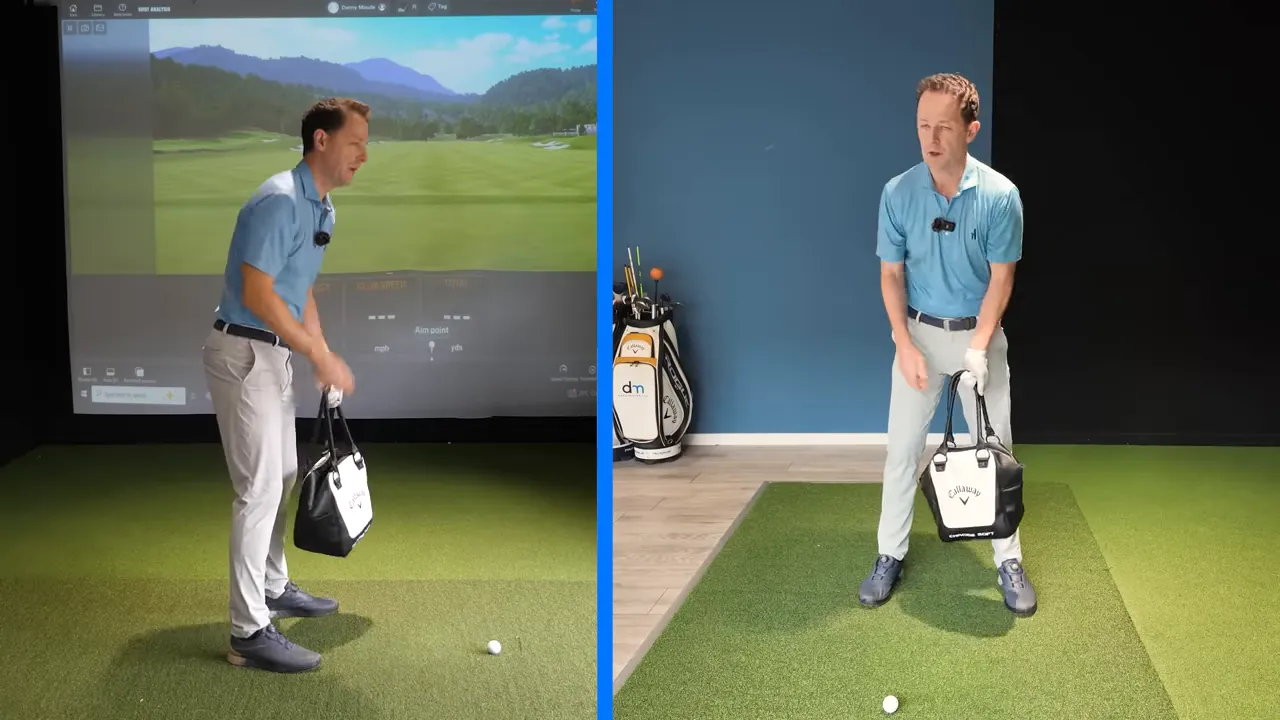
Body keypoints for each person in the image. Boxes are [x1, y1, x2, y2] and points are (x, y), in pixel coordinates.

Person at [859, 73, 1037, 617]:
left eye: (943, 127)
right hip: (916, 337)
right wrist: (902, 343)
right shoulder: (898, 192)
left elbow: (1001, 279)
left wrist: (980, 346)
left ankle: (1007, 560)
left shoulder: (1001, 196)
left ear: (970, 130)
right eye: (922, 127)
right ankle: (890, 554)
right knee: (901, 452)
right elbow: (891, 275)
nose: (931, 139)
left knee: (995, 452)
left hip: (978, 339)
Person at [202, 97, 368, 672]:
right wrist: (316, 355)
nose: (363, 156)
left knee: (284, 474)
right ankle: (249, 631)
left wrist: (320, 354)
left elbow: (299, 291)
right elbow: (259, 294)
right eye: (355, 143)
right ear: (321, 141)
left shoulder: (321, 208)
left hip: (272, 354)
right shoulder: (278, 200)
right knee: (258, 490)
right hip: (244, 352)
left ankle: (272, 587)